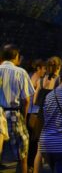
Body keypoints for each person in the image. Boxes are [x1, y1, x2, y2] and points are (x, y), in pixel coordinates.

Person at [0, 44, 35, 173]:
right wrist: (24, 117)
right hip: (13, 114)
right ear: (16, 57)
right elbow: (26, 100)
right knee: (22, 153)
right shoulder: (20, 72)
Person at [33, 56, 62, 173]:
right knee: (56, 149)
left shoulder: (40, 81)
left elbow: (35, 101)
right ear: (59, 67)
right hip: (54, 118)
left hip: (41, 117)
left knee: (39, 150)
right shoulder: (59, 81)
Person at [27, 59, 46, 172]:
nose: (45, 71)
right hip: (34, 112)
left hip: (29, 112)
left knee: (32, 141)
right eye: (44, 68)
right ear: (38, 68)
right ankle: (32, 165)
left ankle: (31, 164)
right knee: (34, 141)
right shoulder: (37, 79)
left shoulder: (30, 76)